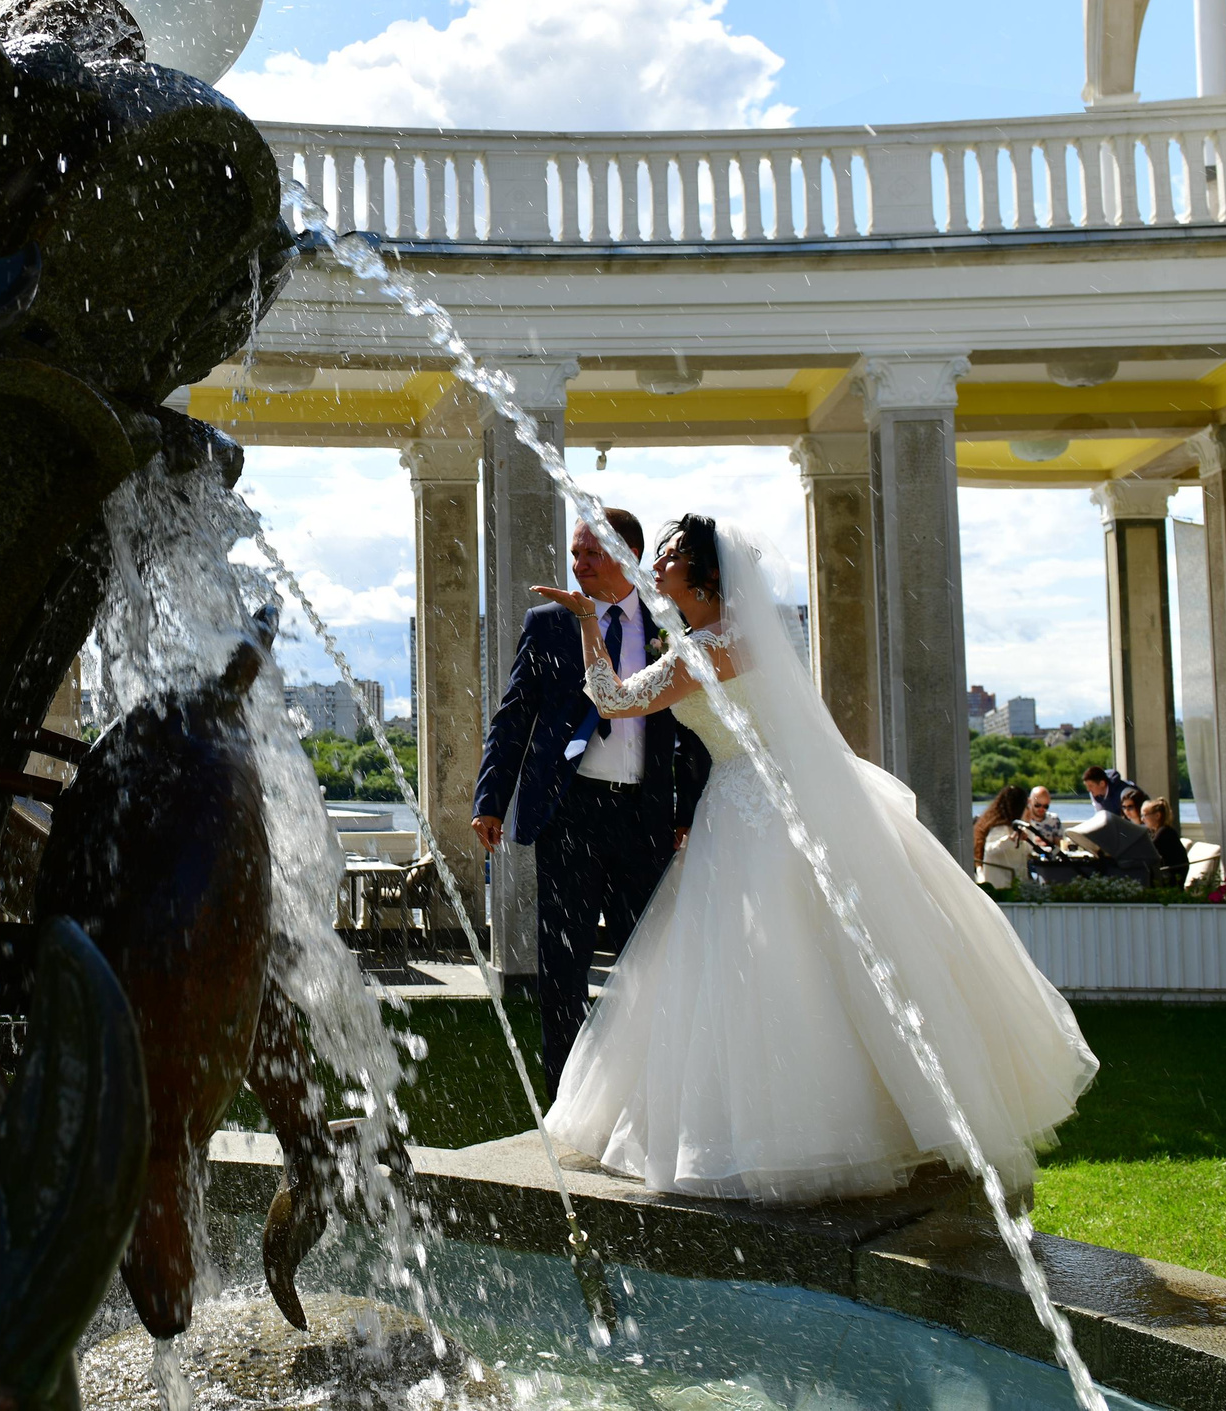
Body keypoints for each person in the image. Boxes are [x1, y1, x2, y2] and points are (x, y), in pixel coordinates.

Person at [531, 514, 1097, 1204]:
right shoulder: (714, 640)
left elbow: (614, 701)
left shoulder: (712, 647)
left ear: (704, 572)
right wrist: (597, 619)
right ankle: (849, 1114)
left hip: (757, 810)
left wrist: (590, 620)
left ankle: (800, 1129)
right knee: (796, 963)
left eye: (673, 552)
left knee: (778, 966)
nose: (661, 560)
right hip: (756, 802)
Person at [469, 511, 711, 1103]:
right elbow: (515, 714)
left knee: (647, 963)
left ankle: (647, 1101)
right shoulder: (548, 624)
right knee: (562, 970)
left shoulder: (671, 621)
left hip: (646, 817)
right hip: (569, 813)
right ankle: (566, 1105)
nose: (578, 567)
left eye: (592, 555)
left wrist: (687, 811)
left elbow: (698, 729)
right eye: (575, 556)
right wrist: (490, 800)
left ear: (629, 554)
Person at [972, 783, 1032, 889]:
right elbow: (990, 850)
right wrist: (1010, 839)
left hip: (1011, 881)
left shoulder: (1012, 827)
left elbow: (1027, 852)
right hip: (1002, 885)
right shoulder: (1000, 828)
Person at [1142, 797, 1188, 888]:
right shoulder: (1160, 831)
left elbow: (1147, 851)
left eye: (1145, 815)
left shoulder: (1164, 832)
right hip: (1166, 873)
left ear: (1157, 815)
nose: (1142, 819)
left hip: (1171, 878)